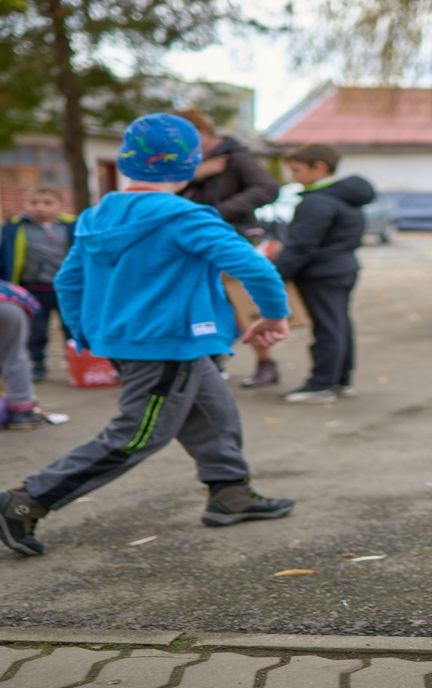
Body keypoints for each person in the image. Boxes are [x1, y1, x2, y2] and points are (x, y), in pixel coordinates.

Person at [0, 113, 295, 557]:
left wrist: (83, 332)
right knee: (137, 435)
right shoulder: (188, 217)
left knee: (214, 411)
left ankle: (230, 492)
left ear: (125, 161)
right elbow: (255, 266)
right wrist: (274, 316)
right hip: (166, 343)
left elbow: (69, 281)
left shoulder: (96, 215)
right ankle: (27, 500)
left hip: (140, 342)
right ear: (191, 163)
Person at [176, 107, 282, 388]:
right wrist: (196, 174)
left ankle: (266, 363)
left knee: (242, 300)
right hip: (196, 238)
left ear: (201, 131)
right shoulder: (192, 163)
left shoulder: (236, 157)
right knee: (206, 300)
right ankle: (212, 358)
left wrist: (217, 213)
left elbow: (267, 188)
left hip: (233, 233)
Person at [274, 144, 373, 403]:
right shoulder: (345, 197)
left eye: (296, 170)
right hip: (343, 268)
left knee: (327, 328)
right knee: (339, 324)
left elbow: (301, 246)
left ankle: (321, 383)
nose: (293, 177)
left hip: (321, 274)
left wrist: (276, 277)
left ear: (319, 167)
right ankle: (341, 379)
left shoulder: (317, 202)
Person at [0, 187, 76, 381]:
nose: (40, 208)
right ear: (26, 204)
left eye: (47, 203)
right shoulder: (15, 227)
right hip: (32, 288)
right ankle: (37, 364)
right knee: (36, 330)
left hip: (65, 288)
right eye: (34, 203)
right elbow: (5, 255)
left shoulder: (70, 226)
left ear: (60, 206)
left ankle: (76, 363)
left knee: (71, 326)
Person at [0, 280, 45, 429]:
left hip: (11, 304)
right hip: (14, 305)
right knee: (15, 357)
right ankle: (23, 410)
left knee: (12, 356)